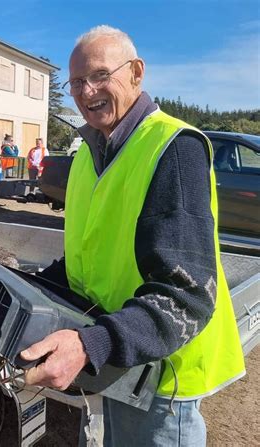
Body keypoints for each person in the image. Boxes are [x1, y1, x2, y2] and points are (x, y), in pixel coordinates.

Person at [20, 25, 245, 446]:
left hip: (164, 376)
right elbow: (87, 256)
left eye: (101, 75)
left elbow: (187, 293)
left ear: (137, 72)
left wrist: (92, 344)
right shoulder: (91, 153)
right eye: (76, 84)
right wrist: (20, 283)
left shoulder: (173, 148)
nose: (87, 92)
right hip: (123, 361)